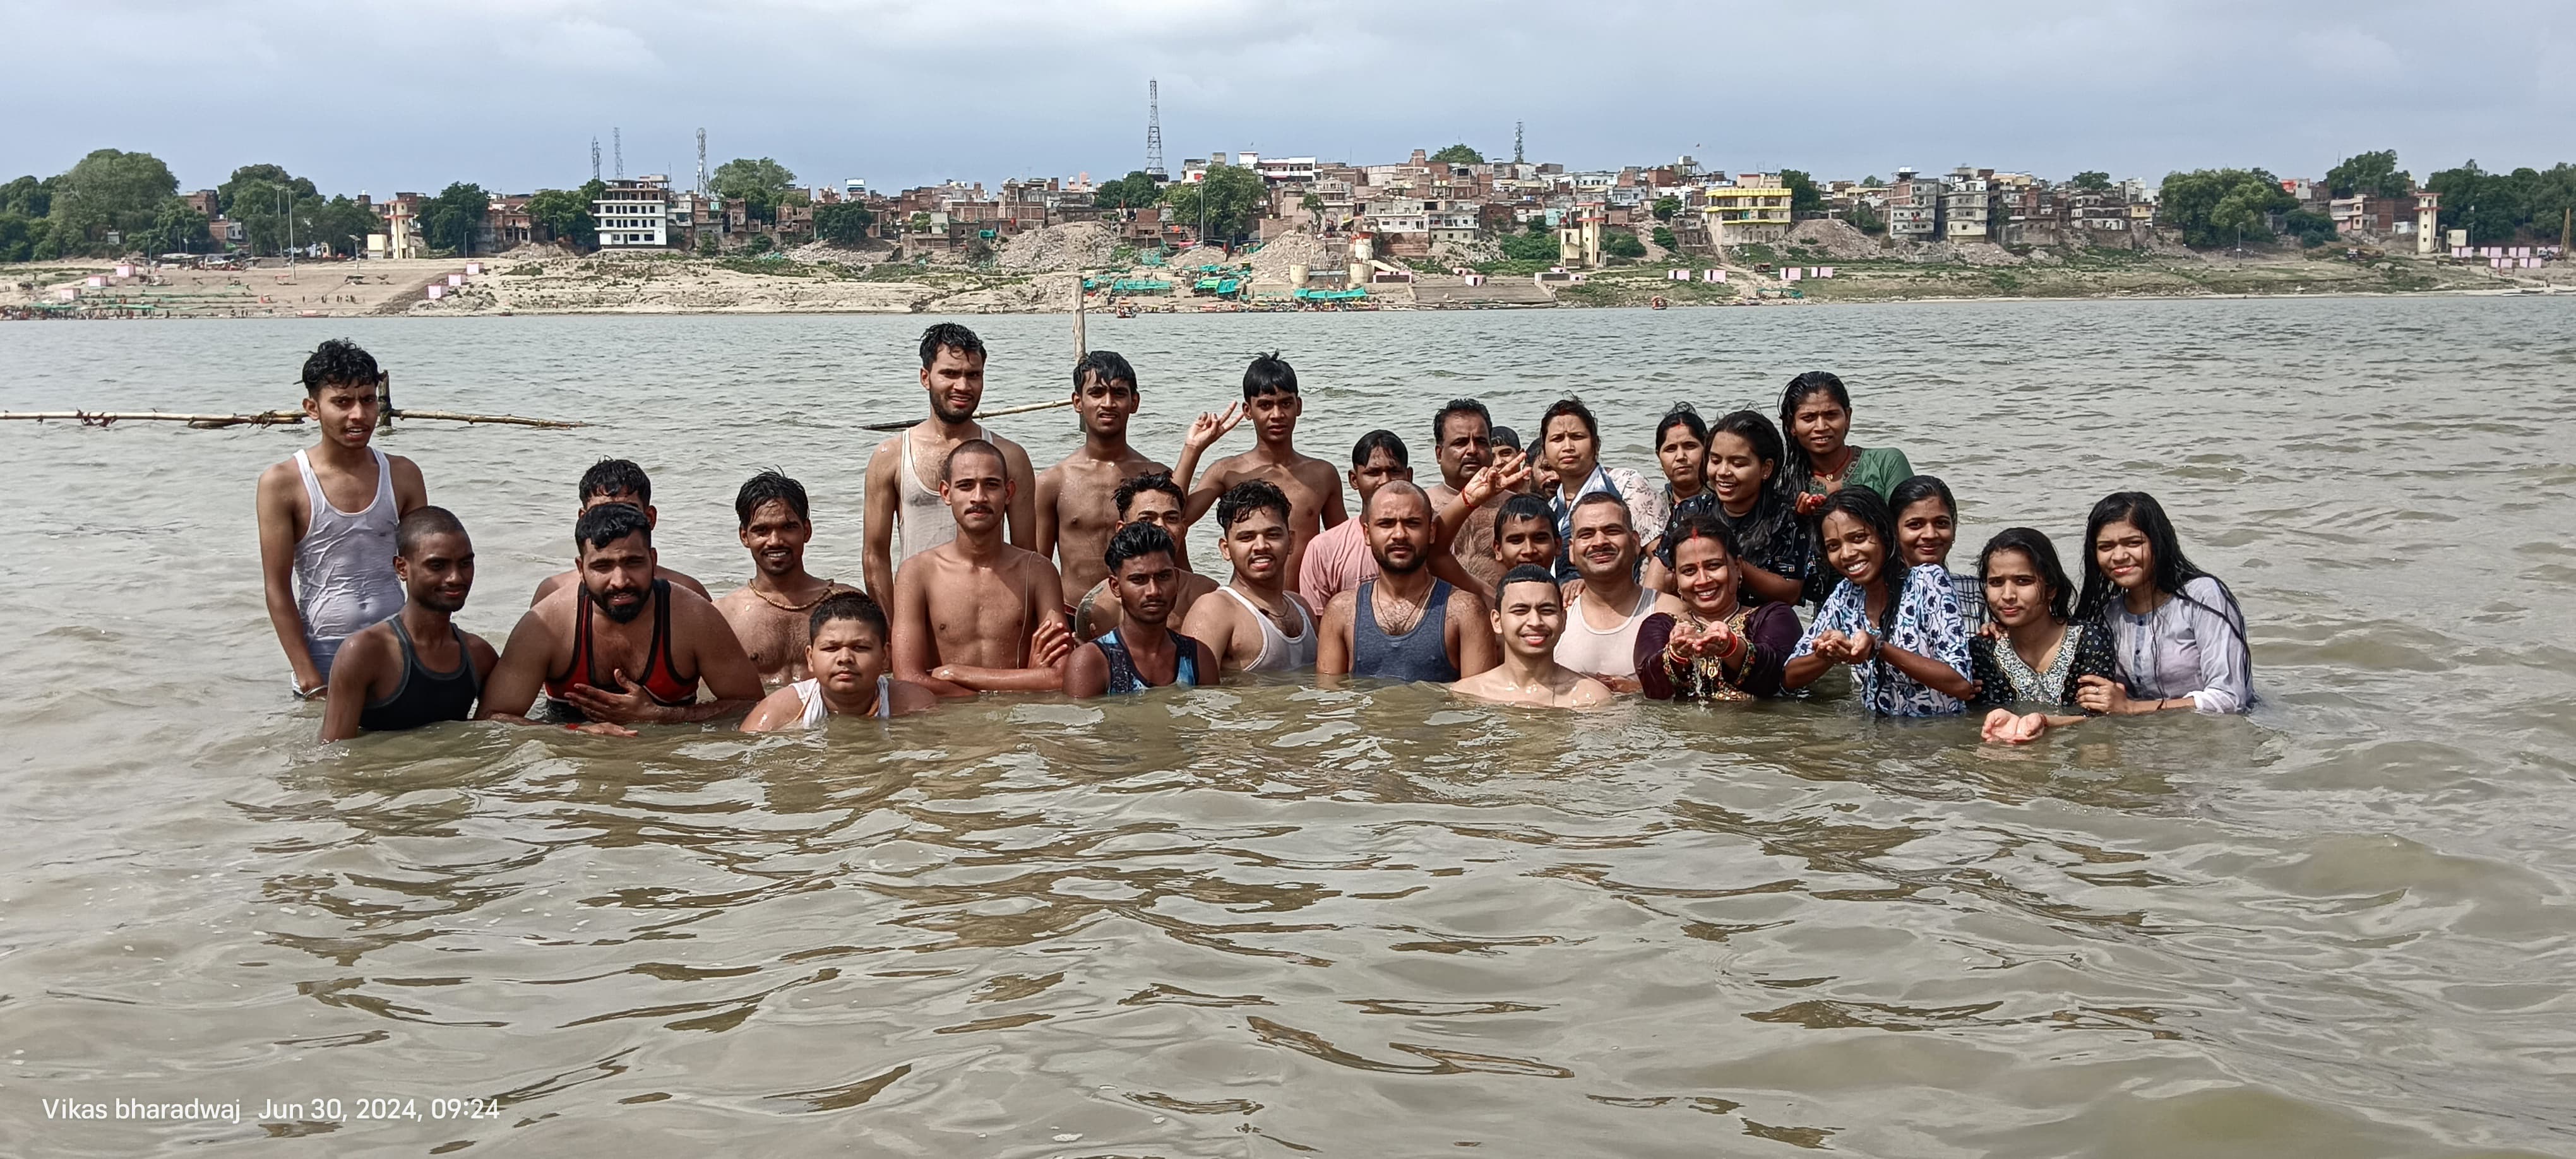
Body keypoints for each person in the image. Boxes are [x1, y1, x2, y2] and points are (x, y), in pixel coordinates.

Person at [480, 503, 766, 734]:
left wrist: (661, 716)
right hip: (574, 762)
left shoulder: (694, 617)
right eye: (602, 566)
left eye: (633, 562)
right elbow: (492, 719)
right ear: (581, 569)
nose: (620, 581)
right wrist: (575, 733)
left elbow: (752, 705)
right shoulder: (546, 625)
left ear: (653, 560)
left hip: (669, 763)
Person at [256, 338, 429, 696]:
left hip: (397, 643)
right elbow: (277, 587)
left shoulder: (403, 474)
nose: (359, 415)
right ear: (312, 408)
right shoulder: (283, 483)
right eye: (342, 402)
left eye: (368, 400)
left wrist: (430, 650)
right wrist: (308, 677)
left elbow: (425, 570)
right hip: (323, 651)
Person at [864, 323, 1039, 605]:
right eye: (950, 374)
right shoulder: (891, 456)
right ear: (925, 377)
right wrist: (892, 626)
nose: (963, 386)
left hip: (991, 611)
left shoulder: (1010, 457)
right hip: (917, 611)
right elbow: (875, 557)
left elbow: (1027, 556)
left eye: (973, 375)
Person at [891, 440, 1075, 697]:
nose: (979, 497)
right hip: (947, 719)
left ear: (1009, 492)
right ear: (946, 493)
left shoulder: (1037, 571)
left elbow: (1059, 675)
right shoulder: (916, 573)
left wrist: (955, 672)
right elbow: (908, 679)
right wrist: (1022, 681)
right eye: (966, 485)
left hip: (1016, 716)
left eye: (991, 485)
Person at [1782, 488, 1974, 716]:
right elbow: (1789, 677)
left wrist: (1878, 647)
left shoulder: (1928, 581)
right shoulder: (1846, 594)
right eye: (1834, 546)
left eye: (1858, 538)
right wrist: (1831, 653)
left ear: (1884, 534)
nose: (1847, 554)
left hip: (1937, 732)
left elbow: (1961, 684)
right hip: (1876, 734)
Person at [1174, 352, 1345, 597]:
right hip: (1246, 603)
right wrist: (1193, 449)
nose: (1277, 415)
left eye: (1286, 404)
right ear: (1248, 410)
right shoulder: (1228, 472)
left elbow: (1342, 546)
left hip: (1305, 604)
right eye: (1265, 405)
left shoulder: (1322, 474)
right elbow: (1172, 520)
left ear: (1299, 406)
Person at [319, 507, 498, 740]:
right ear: (402, 568)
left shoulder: (480, 656)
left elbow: (498, 727)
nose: (455, 577)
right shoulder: (365, 653)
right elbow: (333, 752)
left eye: (465, 563)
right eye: (437, 566)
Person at [2070, 491, 2251, 717]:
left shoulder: (2203, 596)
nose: (2119, 556)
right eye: (2106, 547)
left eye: (2133, 543)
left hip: (2212, 733)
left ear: (2159, 543)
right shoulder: (2107, 615)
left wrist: (2132, 708)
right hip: (2146, 735)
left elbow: (2230, 699)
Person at [1318, 482, 1498, 682]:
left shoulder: (1465, 611)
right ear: (1367, 534)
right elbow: (1330, 696)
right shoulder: (1341, 611)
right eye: (1386, 524)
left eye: (1412, 523)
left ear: (1431, 532)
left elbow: (1478, 698)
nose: (1399, 535)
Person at [1035, 350, 1168, 609]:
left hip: (1144, 615)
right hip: (1073, 614)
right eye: (1097, 393)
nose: (1108, 403)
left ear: (1134, 402)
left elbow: (1175, 560)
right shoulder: (1054, 482)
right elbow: (1039, 568)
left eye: (1119, 393)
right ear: (1078, 402)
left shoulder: (1155, 476)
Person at [1971, 528, 2120, 743]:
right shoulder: (1983, 649)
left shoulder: (2089, 639)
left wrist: (2046, 722)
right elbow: (1982, 718)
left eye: (2023, 581)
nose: (2008, 595)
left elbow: (2099, 717)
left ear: (2051, 589)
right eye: (1996, 582)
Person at [1634, 514, 1803, 702]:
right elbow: (1652, 689)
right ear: (1676, 578)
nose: (1703, 580)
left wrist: (1731, 647)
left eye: (1714, 566)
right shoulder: (1661, 626)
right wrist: (1678, 654)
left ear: (1737, 567)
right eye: (1689, 571)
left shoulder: (1774, 617)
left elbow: (1775, 679)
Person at [715, 470, 854, 688]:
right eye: (761, 530)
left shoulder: (848, 604)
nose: (775, 541)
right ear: (744, 536)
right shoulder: (724, 616)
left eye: (788, 527)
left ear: (807, 531)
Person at [1179, 480, 1319, 674]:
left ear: (1291, 542)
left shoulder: (1302, 607)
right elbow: (1189, 688)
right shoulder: (1214, 611)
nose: (1261, 546)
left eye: (1273, 535)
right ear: (1226, 549)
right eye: (1246, 538)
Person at [741, 592, 936, 730]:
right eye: (831, 648)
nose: (845, 658)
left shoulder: (914, 704)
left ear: (885, 656)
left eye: (860, 647)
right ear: (810, 658)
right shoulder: (776, 714)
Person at [530, 459, 710, 605]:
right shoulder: (554, 595)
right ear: (582, 519)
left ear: (650, 518)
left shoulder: (688, 593)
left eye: (627, 510)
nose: (616, 520)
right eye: (602, 511)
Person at [1064, 523, 1215, 697]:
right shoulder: (1093, 662)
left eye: (1163, 577)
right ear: (1115, 587)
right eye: (1138, 580)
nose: (1154, 591)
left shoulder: (1199, 658)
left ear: (1177, 578)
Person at [1075, 472, 1219, 641]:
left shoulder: (1207, 595)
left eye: (1171, 518)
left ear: (1183, 529)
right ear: (1122, 529)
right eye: (1146, 519)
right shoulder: (1099, 607)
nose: (1161, 527)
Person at [1534, 398, 1666, 580]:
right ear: (1544, 450)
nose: (1568, 447)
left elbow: (1662, 558)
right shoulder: (1553, 507)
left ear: (1596, 444)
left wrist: (1647, 598)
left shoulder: (1626, 485)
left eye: (1577, 437)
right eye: (1557, 439)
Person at [1448, 566, 1614, 709]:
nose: (1535, 622)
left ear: (1563, 620)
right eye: (1520, 611)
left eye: (1547, 611)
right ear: (1497, 622)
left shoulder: (1594, 698)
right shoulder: (1467, 694)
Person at [1699, 409, 1815, 607]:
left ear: (1766, 468)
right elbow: (1661, 578)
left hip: (1764, 618)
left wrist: (1733, 565)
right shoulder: (1691, 511)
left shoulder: (1787, 518)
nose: (1723, 472)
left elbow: (1791, 592)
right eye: (1715, 460)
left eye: (1738, 464)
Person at [1297, 429, 1415, 609]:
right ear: (1354, 480)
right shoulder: (1324, 549)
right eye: (1373, 473)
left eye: (1394, 471)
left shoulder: (1427, 539)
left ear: (1409, 476)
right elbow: (1317, 620)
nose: (1385, 481)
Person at [1553, 494, 1657, 691]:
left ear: (1635, 542)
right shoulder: (1552, 616)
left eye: (1612, 531)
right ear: (1571, 551)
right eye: (1586, 534)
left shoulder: (1669, 612)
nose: (1600, 542)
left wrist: (1639, 691)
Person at [1779, 371, 1914, 514]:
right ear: (1791, 425)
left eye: (1831, 415)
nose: (1821, 427)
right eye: (1809, 418)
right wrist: (1802, 519)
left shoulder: (1886, 464)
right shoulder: (1785, 483)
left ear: (1848, 418)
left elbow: (1911, 520)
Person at [1421, 398, 1503, 592]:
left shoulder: (1513, 505)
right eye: (1460, 442)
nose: (1472, 450)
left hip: (1502, 606)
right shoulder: (1422, 506)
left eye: (1481, 442)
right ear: (1439, 454)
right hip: (1439, 607)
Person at [1889, 475, 1984, 632]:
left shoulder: (1977, 593)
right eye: (1915, 525)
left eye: (1941, 523)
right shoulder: (1878, 596)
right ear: (1894, 530)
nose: (1930, 534)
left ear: (1954, 527)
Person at [1647, 404, 1712, 558]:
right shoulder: (1653, 507)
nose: (1681, 456)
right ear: (1659, 455)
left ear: (1707, 449)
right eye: (1671, 449)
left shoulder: (1723, 501)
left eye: (1690, 446)